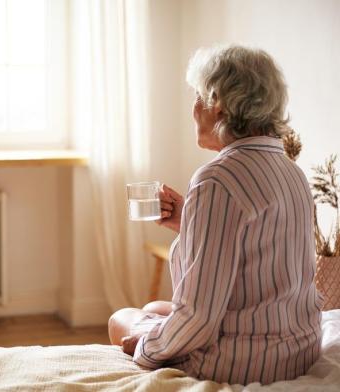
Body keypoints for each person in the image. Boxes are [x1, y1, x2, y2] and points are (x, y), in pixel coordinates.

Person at [108, 45, 323, 385]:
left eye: (197, 96)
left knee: (122, 318)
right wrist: (188, 221)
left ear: (217, 102)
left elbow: (199, 315)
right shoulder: (290, 171)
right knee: (153, 308)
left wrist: (144, 347)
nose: (193, 108)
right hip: (298, 348)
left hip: (244, 362)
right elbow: (260, 248)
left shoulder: (217, 179)